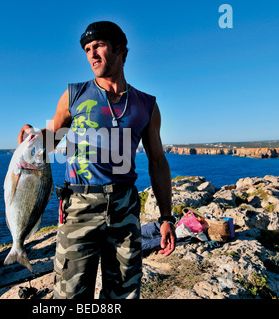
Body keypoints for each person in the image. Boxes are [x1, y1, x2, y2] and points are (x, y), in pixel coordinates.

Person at [17, 21, 175, 299]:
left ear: (121, 50)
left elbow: (158, 162)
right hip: (79, 207)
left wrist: (165, 218)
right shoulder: (75, 94)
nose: (92, 54)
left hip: (125, 209)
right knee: (70, 296)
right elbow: (54, 137)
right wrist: (33, 137)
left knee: (123, 294)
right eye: (87, 49)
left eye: (98, 45)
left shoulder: (146, 105)